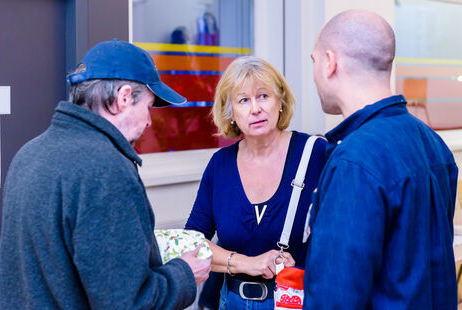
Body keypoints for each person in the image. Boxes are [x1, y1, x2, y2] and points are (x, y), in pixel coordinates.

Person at [0, 39, 211, 309]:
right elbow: (128, 303)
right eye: (147, 107)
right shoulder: (106, 169)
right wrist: (184, 275)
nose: (148, 121)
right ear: (123, 98)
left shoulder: (28, 154)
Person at [305, 9, 458, 309]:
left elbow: (335, 299)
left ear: (330, 63)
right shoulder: (433, 145)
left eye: (314, 60)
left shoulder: (354, 162)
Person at [186, 56, 327, 309]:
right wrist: (247, 263)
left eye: (263, 96)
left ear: (280, 102)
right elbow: (192, 242)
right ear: (230, 114)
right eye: (243, 100)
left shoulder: (316, 154)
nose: (255, 109)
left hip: (300, 302)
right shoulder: (220, 165)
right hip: (232, 302)